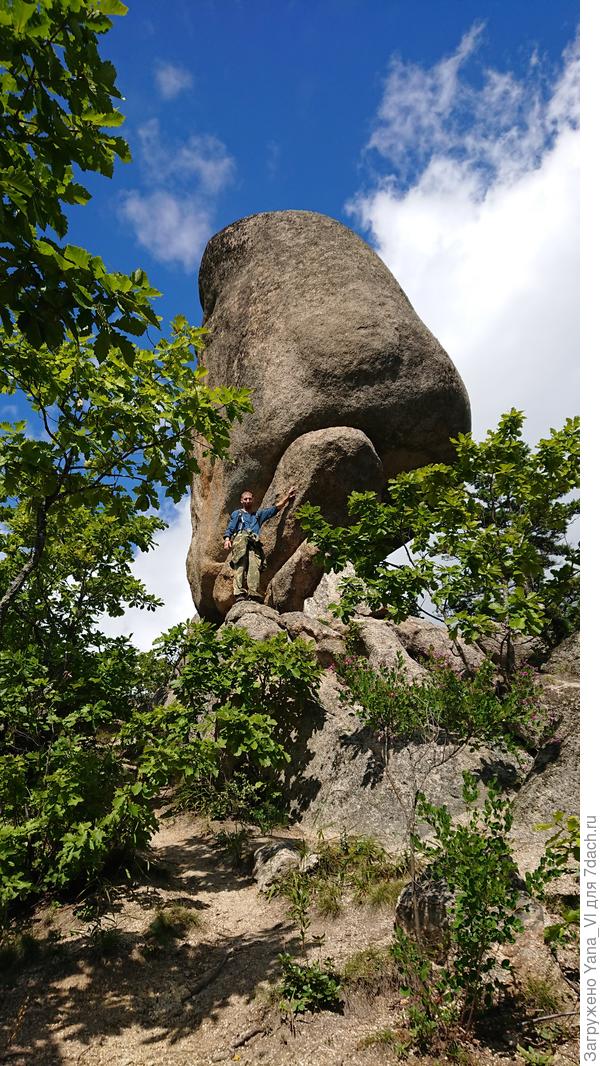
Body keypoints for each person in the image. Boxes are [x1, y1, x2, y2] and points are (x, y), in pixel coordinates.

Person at [223, 486, 296, 602]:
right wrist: (227, 539)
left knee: (254, 567)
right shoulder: (237, 514)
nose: (247, 501)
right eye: (245, 499)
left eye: (249, 499)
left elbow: (275, 509)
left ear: (253, 500)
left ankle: (253, 592)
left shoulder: (258, 515)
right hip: (240, 541)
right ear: (241, 501)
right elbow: (231, 527)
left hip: (254, 544)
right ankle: (239, 593)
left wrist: (287, 497)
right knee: (240, 565)